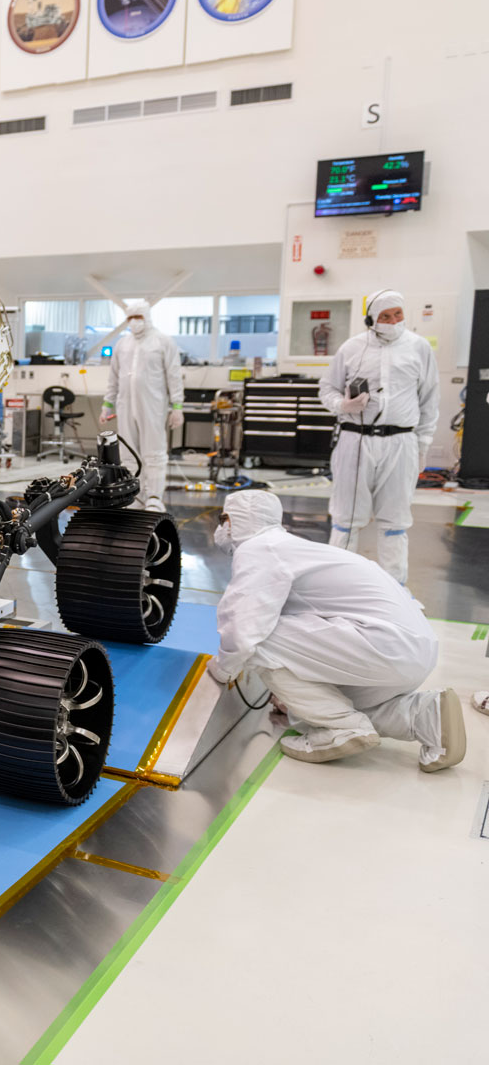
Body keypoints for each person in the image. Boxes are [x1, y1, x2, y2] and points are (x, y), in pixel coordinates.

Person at [209, 489, 465, 771]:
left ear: (233, 521)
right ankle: (424, 716)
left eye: (223, 520)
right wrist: (295, 700)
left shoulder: (259, 549)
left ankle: (341, 728)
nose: (221, 529)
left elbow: (243, 626)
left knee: (260, 641)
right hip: (411, 649)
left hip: (383, 644)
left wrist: (223, 668)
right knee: (328, 706)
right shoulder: (291, 547)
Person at [318, 288, 439, 585]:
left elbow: (430, 398)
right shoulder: (351, 348)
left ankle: (395, 589)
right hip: (356, 440)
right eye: (386, 316)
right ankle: (338, 586)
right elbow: (327, 389)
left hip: (401, 442)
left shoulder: (419, 347)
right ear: (371, 319)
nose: (394, 321)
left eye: (398, 314)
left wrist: (423, 443)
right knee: (346, 518)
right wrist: (342, 405)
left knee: (395, 520)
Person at [100, 301, 183, 511]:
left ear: (147, 317)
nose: (134, 322)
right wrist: (107, 404)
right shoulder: (122, 344)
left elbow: (174, 375)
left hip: (153, 406)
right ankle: (133, 495)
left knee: (154, 452)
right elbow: (114, 377)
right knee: (128, 453)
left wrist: (177, 406)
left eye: (138, 317)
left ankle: (154, 497)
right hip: (125, 405)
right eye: (130, 318)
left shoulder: (163, 342)